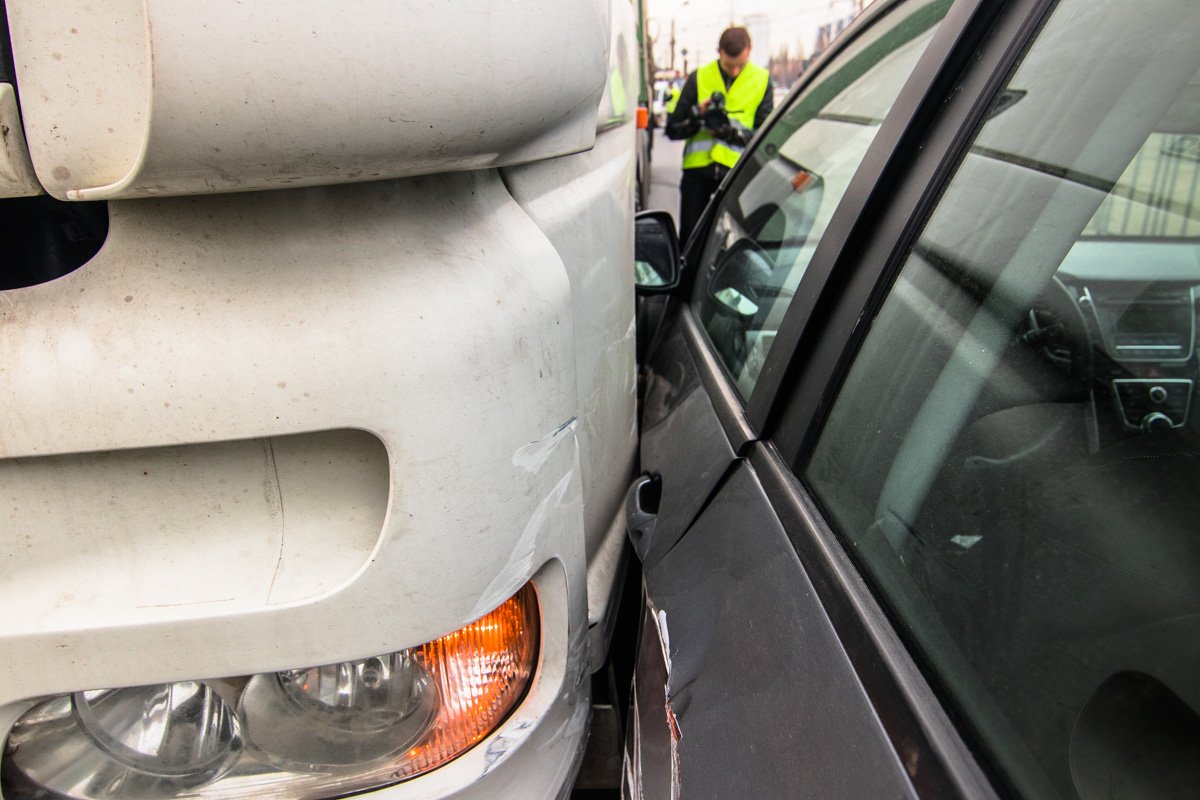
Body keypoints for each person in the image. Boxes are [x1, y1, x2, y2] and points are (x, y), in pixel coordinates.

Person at [665, 27, 773, 246]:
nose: (734, 71)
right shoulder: (700, 77)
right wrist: (697, 117)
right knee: (690, 241)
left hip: (736, 176)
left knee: (736, 242)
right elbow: (672, 129)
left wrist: (730, 132)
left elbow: (766, 137)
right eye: (728, 65)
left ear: (749, 51)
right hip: (697, 175)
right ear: (719, 52)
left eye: (739, 65)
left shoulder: (761, 80)